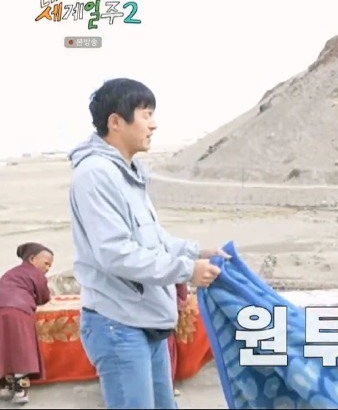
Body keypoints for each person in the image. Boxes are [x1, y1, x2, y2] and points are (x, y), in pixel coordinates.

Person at [68, 78, 229, 409]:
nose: (153, 125)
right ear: (116, 121)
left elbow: (152, 238)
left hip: (146, 318)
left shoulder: (128, 172)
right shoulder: (96, 174)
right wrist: (187, 270)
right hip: (118, 323)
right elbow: (116, 254)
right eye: (146, 114)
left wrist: (196, 252)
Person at [0, 242, 55, 405]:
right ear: (32, 259)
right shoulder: (35, 274)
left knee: (5, 348)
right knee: (22, 349)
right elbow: (44, 296)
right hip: (19, 312)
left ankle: (4, 386)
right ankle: (20, 390)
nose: (48, 268)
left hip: (1, 309)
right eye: (46, 263)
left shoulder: (10, 273)